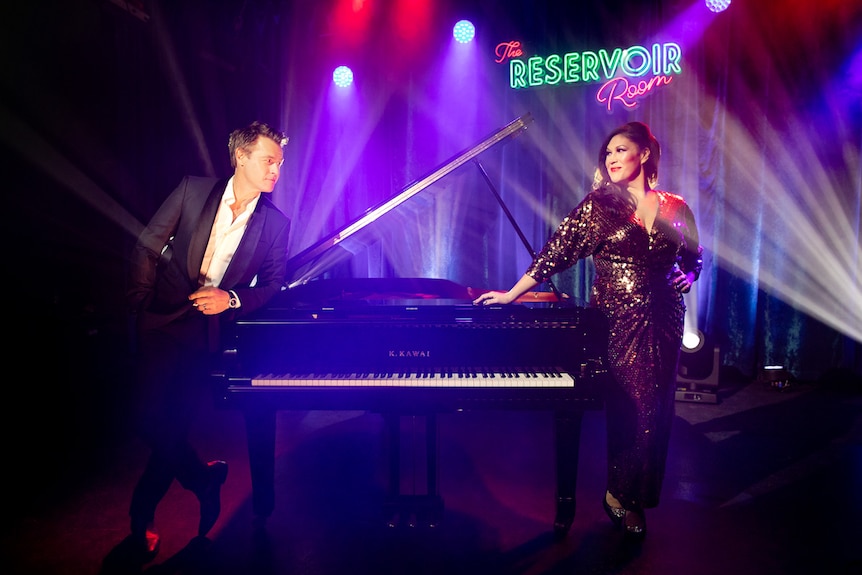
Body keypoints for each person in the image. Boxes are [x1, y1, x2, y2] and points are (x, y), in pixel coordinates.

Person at [473, 121, 702, 541]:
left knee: (657, 412)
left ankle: (632, 494)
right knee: (631, 409)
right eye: (608, 153)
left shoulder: (676, 206)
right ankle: (619, 495)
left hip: (666, 318)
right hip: (616, 321)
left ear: (645, 154)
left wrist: (689, 274)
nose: (611, 158)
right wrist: (510, 294)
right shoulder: (601, 205)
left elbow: (693, 256)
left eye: (620, 150)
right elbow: (556, 252)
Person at [125, 120, 291, 558]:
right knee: (146, 422)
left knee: (172, 428)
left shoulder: (276, 223)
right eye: (268, 160)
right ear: (241, 157)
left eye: (280, 163)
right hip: (161, 323)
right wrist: (141, 304)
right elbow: (147, 245)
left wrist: (231, 298)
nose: (276, 170)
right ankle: (203, 479)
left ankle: (139, 526)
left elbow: (273, 284)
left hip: (207, 335)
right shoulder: (192, 190)